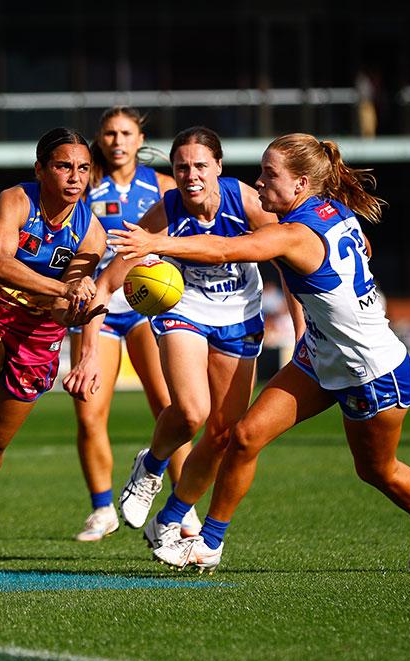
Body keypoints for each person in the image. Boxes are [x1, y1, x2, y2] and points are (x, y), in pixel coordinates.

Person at [110, 133, 410, 572]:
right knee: (245, 435)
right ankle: (208, 543)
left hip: (371, 370)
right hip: (319, 356)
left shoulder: (294, 234)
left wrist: (157, 243)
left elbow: (226, 248)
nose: (260, 181)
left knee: (377, 471)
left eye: (270, 174)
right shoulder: (329, 210)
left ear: (301, 184)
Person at [84, 127, 280, 552]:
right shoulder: (166, 209)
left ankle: (170, 518)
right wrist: (88, 341)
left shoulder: (246, 200)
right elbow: (111, 278)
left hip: (239, 314)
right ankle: (151, 467)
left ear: (219, 167)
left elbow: (288, 257)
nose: (191, 175)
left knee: (223, 435)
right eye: (182, 167)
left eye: (200, 166)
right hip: (185, 308)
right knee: (192, 412)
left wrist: (302, 331)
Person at [0, 128, 107, 574]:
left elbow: (68, 306)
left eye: (83, 168)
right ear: (40, 169)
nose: (75, 177)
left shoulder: (92, 233)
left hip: (38, 335)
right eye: (63, 166)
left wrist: (78, 306)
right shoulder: (15, 200)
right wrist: (63, 288)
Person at [69, 107, 196, 542]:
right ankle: (102, 509)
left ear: (140, 138)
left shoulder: (163, 186)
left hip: (148, 306)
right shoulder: (84, 184)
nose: (118, 141)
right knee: (89, 412)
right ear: (100, 138)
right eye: (110, 133)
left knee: (171, 408)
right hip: (97, 307)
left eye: (126, 133)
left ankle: (184, 507)